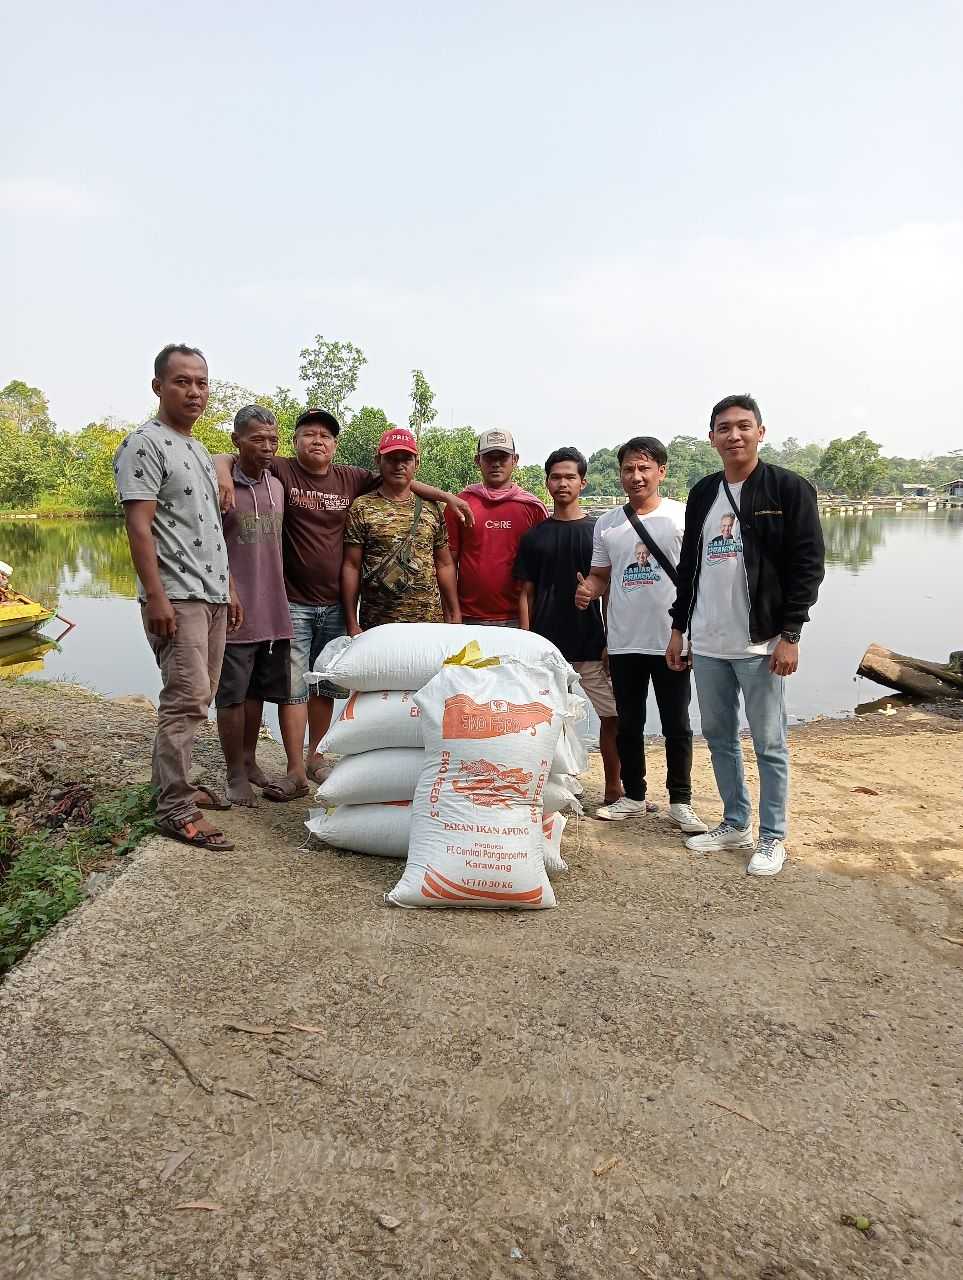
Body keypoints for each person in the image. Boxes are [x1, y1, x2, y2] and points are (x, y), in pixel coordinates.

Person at [216, 411, 472, 800]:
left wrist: (447, 496)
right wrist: (220, 470)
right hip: (293, 603)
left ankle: (316, 756)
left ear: (335, 445)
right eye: (308, 434)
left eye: (326, 436)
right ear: (294, 441)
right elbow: (232, 457)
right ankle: (295, 769)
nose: (317, 440)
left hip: (336, 605)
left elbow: (400, 477)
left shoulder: (349, 478)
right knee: (293, 689)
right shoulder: (281, 469)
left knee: (326, 686)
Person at [667, 394, 825, 877]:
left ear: (761, 431)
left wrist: (790, 633)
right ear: (711, 437)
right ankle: (735, 821)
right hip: (709, 643)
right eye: (724, 428)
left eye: (743, 426)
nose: (734, 435)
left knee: (770, 742)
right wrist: (679, 629)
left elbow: (808, 565)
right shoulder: (703, 493)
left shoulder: (788, 489)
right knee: (718, 736)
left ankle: (772, 836)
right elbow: (690, 566)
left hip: (761, 643)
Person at [114, 344, 242, 852]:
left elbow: (208, 528)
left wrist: (228, 588)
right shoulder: (144, 444)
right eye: (182, 382)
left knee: (199, 697)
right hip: (178, 597)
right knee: (184, 701)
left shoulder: (193, 447)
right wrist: (156, 597)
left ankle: (177, 786)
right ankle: (173, 809)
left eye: (201, 383)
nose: (194, 392)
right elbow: (139, 528)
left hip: (209, 595)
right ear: (158, 387)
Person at [575, 436, 707, 834]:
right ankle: (633, 796)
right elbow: (601, 576)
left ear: (661, 472)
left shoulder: (683, 517)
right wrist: (589, 590)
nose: (636, 476)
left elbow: (699, 577)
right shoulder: (607, 524)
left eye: (644, 468)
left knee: (676, 723)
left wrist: (688, 633)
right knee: (628, 722)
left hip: (671, 639)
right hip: (624, 640)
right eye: (629, 469)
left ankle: (681, 801)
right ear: (620, 474)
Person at [513, 447, 622, 805]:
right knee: (544, 722)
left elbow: (608, 590)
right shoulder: (534, 537)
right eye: (556, 477)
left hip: (591, 644)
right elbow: (525, 593)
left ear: (583, 482)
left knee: (613, 716)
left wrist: (610, 640)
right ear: (547, 482)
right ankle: (548, 792)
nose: (562, 483)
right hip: (547, 650)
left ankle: (613, 790)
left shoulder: (598, 534)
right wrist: (527, 641)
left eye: (570, 477)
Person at [214, 406, 292, 806]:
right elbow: (208, 544)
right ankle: (233, 773)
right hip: (234, 611)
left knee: (257, 690)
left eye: (272, 440)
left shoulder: (277, 486)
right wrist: (227, 589)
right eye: (257, 439)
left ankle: (249, 759)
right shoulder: (221, 486)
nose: (266, 447)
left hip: (272, 610)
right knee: (230, 693)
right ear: (237, 441)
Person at [341, 427, 461, 631]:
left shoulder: (432, 508)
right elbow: (351, 566)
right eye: (391, 459)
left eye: (406, 459)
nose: (399, 465)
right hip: (378, 625)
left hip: (429, 623)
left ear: (417, 463)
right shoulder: (362, 507)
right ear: (378, 461)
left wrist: (454, 612)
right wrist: (352, 623)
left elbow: (444, 563)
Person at [445, 429, 547, 626]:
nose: (496, 463)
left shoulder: (533, 508)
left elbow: (542, 568)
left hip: (520, 617)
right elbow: (448, 563)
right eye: (489, 457)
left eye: (503, 457)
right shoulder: (460, 505)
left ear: (515, 460)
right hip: (468, 617)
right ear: (478, 460)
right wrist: (452, 612)